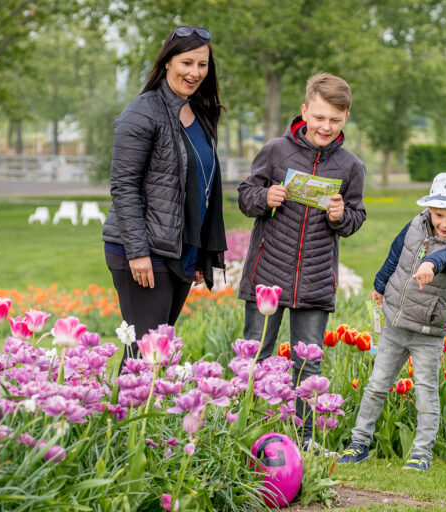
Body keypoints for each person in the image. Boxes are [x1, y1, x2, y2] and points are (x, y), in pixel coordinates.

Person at [237, 72, 366, 450]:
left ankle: (305, 439)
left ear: (345, 119)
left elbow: (355, 219)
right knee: (256, 354)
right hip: (267, 275)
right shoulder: (276, 151)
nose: (326, 127)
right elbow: (246, 196)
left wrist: (342, 215)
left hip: (315, 280)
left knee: (308, 366)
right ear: (305, 110)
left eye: (335, 120)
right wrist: (265, 197)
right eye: (320, 117)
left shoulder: (350, 166)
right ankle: (248, 429)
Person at [338, 172, 446, 471]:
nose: (444, 223)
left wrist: (431, 263)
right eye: (438, 214)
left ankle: (421, 454)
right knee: (377, 385)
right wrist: (380, 285)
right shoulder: (416, 226)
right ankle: (358, 444)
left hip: (427, 331)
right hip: (394, 323)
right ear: (429, 209)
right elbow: (396, 254)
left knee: (425, 391)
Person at [102, 26, 226, 369]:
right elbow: (123, 186)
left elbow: (201, 186)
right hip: (144, 251)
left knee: (157, 353)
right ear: (168, 62)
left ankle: (138, 417)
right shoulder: (143, 112)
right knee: (146, 357)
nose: (195, 73)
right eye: (187, 62)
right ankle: (128, 418)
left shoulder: (197, 112)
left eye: (202, 65)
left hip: (179, 249)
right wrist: (138, 252)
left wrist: (201, 251)